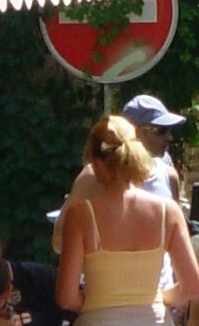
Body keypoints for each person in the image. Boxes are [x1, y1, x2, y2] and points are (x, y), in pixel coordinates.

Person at [56, 116, 199, 326]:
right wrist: (158, 298)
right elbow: (193, 286)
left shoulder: (81, 214)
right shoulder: (167, 211)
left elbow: (65, 296)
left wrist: (98, 299)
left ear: (97, 163)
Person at [52, 93, 185, 245]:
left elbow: (178, 241)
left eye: (169, 130)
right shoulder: (95, 175)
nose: (169, 137)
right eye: (161, 130)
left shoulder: (169, 175)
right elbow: (60, 237)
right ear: (134, 130)